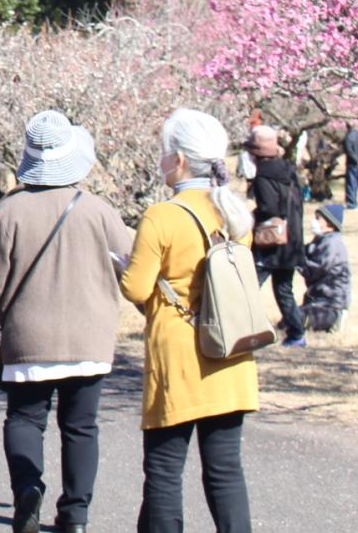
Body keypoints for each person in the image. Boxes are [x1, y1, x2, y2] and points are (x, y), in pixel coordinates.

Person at [0, 110, 134, 533]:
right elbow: (132, 264)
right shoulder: (99, 210)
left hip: (28, 336)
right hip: (89, 339)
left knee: (24, 420)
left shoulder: (9, 211)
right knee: (81, 428)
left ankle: (28, 487)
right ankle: (75, 517)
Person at [120, 108, 258, 533]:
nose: (161, 160)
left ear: (179, 159)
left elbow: (136, 289)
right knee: (225, 470)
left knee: (164, 470)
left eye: (164, 153)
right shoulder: (234, 213)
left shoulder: (163, 216)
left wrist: (124, 266)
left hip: (178, 356)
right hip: (230, 350)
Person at [247, 125, 307, 347]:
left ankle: (244, 328)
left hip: (271, 241)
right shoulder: (288, 170)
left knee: (249, 285)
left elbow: (270, 208)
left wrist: (254, 215)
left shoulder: (263, 175)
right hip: (291, 240)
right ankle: (296, 333)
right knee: (283, 288)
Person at [300, 203, 351, 333]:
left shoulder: (333, 244)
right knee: (289, 319)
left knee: (298, 320)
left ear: (330, 224)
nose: (314, 222)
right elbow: (304, 253)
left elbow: (314, 271)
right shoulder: (321, 240)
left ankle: (336, 320)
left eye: (318, 218)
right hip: (317, 301)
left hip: (331, 305)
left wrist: (297, 261)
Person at [343, 122, 358, 210]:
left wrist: (357, 160)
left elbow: (349, 150)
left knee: (352, 184)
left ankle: (352, 204)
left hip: (353, 164)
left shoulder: (348, 137)